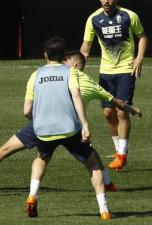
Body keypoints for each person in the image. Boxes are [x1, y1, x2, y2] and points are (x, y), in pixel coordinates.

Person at [0, 51, 142, 195]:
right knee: (90, 154)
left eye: (65, 60)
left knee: (4, 151)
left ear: (73, 64)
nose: (61, 62)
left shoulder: (52, 74)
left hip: (43, 126)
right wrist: (133, 110)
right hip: (71, 129)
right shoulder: (89, 82)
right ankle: (106, 184)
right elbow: (118, 102)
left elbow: (28, 109)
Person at [23, 36, 116, 220]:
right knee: (93, 164)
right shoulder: (70, 72)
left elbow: (26, 110)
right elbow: (76, 97)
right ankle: (104, 210)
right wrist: (85, 125)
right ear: (63, 55)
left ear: (45, 55)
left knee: (42, 158)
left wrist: (40, 120)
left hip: (44, 130)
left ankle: (33, 195)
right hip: (69, 128)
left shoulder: (36, 74)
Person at [80, 0, 148, 171]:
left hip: (126, 70)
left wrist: (139, 58)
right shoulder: (93, 19)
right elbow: (85, 46)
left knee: (121, 111)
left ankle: (122, 155)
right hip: (106, 72)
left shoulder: (129, 16)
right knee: (108, 113)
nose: (106, 1)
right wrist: (83, 55)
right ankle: (118, 150)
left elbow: (142, 37)